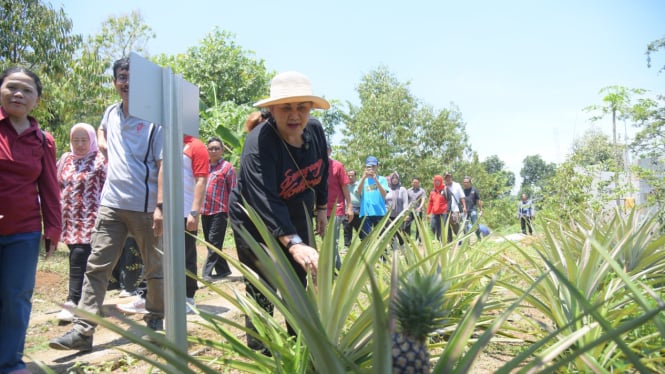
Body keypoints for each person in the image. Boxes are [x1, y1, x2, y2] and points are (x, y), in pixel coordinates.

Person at [50, 57, 165, 352]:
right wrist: (101, 141)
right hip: (111, 205)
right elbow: (102, 129)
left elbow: (163, 164)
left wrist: (161, 207)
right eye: (122, 77)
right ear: (115, 82)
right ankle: (83, 330)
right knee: (96, 266)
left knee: (154, 268)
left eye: (133, 78)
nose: (127, 83)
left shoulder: (155, 120)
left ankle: (155, 321)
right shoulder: (111, 113)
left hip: (144, 207)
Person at [228, 71, 329, 352]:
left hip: (295, 204)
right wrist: (293, 243)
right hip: (253, 215)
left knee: (300, 275)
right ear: (271, 109)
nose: (295, 115)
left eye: (302, 107)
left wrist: (321, 207)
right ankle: (261, 348)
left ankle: (300, 342)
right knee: (265, 279)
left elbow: (323, 168)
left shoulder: (316, 131)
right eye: (286, 107)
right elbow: (264, 200)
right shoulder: (259, 144)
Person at [0, 66, 61, 374]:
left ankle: (9, 363)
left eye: (26, 90)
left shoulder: (43, 141)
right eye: (12, 87)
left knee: (15, 296)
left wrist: (53, 228)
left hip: (23, 232)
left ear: (37, 99)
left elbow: (49, 187)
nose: (18, 94)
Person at [55, 123, 107, 323]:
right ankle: (89, 302)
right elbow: (55, 184)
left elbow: (107, 186)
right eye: (76, 140)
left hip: (91, 218)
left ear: (92, 140)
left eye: (84, 140)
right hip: (68, 218)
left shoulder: (100, 160)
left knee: (79, 258)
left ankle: (72, 301)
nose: (79, 144)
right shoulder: (65, 159)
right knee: (79, 259)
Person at [201, 137, 236, 282]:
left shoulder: (227, 168)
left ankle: (206, 273)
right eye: (211, 148)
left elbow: (233, 190)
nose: (214, 151)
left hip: (219, 211)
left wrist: (232, 212)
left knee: (213, 243)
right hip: (204, 210)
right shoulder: (204, 166)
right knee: (210, 241)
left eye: (217, 148)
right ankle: (223, 270)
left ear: (222, 150)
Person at [181, 134, 209, 313]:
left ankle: (188, 296)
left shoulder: (195, 145)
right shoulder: (163, 141)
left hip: (185, 210)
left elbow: (201, 180)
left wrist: (194, 212)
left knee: (186, 254)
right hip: (163, 210)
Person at [325, 139, 353, 268]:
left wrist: (350, 207)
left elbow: (345, 187)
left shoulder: (338, 166)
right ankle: (334, 267)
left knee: (333, 241)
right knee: (326, 240)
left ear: (330, 150)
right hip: (322, 210)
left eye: (326, 149)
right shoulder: (316, 166)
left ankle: (335, 268)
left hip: (337, 209)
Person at [357, 156, 388, 240]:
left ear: (377, 166)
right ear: (365, 168)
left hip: (379, 212)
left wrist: (375, 179)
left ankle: (382, 253)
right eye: (369, 167)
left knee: (381, 237)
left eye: (373, 166)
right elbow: (359, 192)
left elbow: (384, 194)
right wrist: (363, 178)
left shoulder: (382, 179)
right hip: (366, 212)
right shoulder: (363, 180)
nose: (371, 169)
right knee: (366, 238)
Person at [385, 171, 409, 246]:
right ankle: (393, 247)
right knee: (390, 231)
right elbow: (384, 200)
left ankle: (402, 246)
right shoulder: (387, 189)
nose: (395, 179)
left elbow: (405, 202)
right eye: (393, 178)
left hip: (399, 214)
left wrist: (406, 213)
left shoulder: (402, 189)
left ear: (398, 179)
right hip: (388, 215)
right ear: (390, 179)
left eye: (396, 178)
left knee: (399, 231)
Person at [444, 171, 467, 243]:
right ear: (445, 178)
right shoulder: (443, 187)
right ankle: (449, 242)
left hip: (455, 209)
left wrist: (464, 207)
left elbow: (462, 196)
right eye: (446, 177)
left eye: (449, 177)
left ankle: (459, 241)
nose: (448, 178)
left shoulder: (457, 185)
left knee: (455, 224)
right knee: (446, 226)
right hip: (445, 210)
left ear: (451, 177)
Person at [342, 169, 361, 248]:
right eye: (348, 175)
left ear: (355, 176)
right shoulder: (344, 185)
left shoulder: (360, 184)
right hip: (347, 209)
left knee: (360, 229)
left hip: (358, 209)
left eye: (352, 175)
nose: (350, 177)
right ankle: (347, 246)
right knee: (347, 228)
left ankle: (365, 245)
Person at [426, 175, 448, 242]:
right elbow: (430, 202)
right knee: (432, 226)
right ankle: (439, 239)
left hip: (443, 211)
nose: (437, 182)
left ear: (441, 181)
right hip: (434, 212)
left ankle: (442, 242)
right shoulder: (432, 191)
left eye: (438, 181)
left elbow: (449, 200)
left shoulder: (445, 189)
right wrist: (428, 212)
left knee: (442, 228)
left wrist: (448, 209)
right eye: (436, 181)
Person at [404, 177, 426, 242]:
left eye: (416, 182)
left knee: (418, 225)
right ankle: (407, 239)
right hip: (410, 211)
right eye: (414, 182)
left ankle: (418, 240)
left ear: (419, 183)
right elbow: (406, 200)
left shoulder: (422, 191)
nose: (415, 183)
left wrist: (420, 207)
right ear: (412, 183)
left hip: (418, 210)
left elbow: (423, 199)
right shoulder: (408, 191)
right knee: (407, 224)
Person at [462, 176, 483, 241]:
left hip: (473, 210)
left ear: (470, 182)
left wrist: (481, 210)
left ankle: (479, 237)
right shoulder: (462, 191)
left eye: (466, 182)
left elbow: (478, 200)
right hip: (465, 211)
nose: (465, 183)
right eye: (464, 182)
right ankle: (467, 241)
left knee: (475, 225)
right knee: (465, 227)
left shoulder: (474, 190)